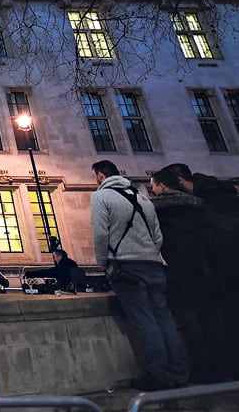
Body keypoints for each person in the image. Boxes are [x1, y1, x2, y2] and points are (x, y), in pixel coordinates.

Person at [91, 159, 188, 391]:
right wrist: (150, 254)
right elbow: (157, 235)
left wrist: (103, 262)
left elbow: (100, 235)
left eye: (94, 176)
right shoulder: (143, 197)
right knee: (164, 318)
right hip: (152, 264)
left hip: (126, 266)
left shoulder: (102, 197)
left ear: (101, 176)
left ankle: (159, 375)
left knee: (144, 320)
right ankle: (179, 372)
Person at [151, 166, 233, 383]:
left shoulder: (160, 211)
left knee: (199, 323)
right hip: (214, 271)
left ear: (163, 186)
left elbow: (160, 243)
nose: (153, 192)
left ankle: (211, 370)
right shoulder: (201, 204)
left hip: (188, 273)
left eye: (153, 188)